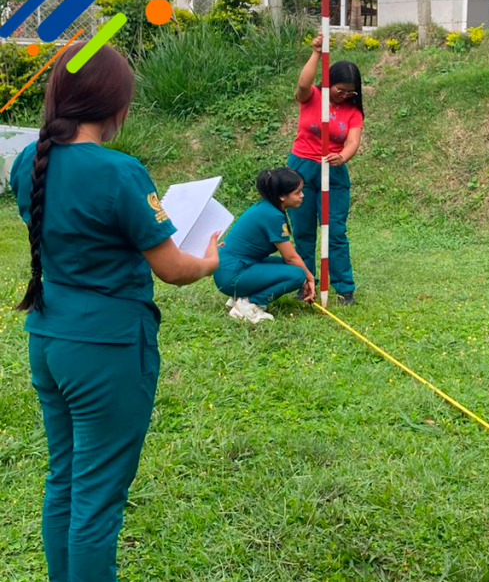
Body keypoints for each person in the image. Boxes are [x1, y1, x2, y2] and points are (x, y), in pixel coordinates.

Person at [10, 44, 219, 582]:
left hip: (49, 338)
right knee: (98, 498)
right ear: (116, 105)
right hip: (107, 350)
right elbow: (172, 268)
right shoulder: (120, 171)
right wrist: (209, 260)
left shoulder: (26, 163)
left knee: (66, 481)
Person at [288, 31, 363, 305]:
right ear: (329, 83)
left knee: (335, 232)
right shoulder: (313, 96)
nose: (344, 95)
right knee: (304, 230)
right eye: (339, 89)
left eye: (349, 91)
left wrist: (342, 157)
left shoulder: (353, 111)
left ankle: (344, 289)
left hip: (333, 172)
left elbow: (353, 141)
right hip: (300, 169)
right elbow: (302, 83)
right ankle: (305, 283)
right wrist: (317, 53)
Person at [214, 167, 315, 322]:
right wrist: (309, 278)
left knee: (292, 268)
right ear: (282, 196)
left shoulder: (266, 207)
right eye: (297, 192)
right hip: (231, 275)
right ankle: (249, 304)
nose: (302, 196)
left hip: (232, 268)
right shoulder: (272, 215)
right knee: (297, 274)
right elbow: (291, 258)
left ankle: (241, 296)